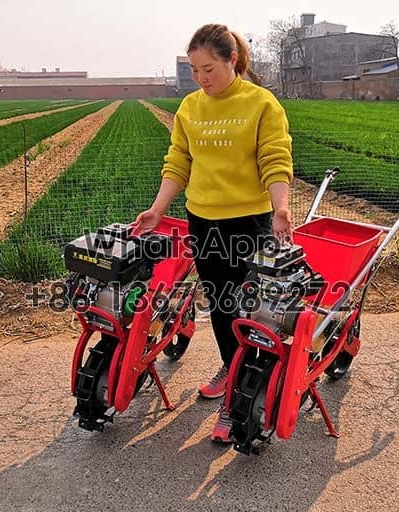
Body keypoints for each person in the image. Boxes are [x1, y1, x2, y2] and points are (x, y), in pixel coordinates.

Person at [134, 23, 293, 442]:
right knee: (221, 305)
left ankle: (243, 393)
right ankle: (231, 370)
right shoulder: (190, 107)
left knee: (249, 308)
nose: (201, 78)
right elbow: (178, 162)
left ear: (232, 60)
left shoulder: (261, 104)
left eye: (208, 68)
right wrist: (157, 208)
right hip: (203, 219)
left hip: (250, 221)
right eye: (194, 70)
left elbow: (274, 158)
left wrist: (281, 206)